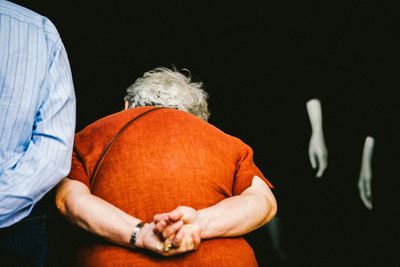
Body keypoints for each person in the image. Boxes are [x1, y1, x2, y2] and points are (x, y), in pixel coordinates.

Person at [55, 67, 277, 266]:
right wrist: (197, 224)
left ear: (126, 106)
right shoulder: (230, 143)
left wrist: (140, 234)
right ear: (199, 118)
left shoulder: (87, 138)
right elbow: (263, 203)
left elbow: (68, 201)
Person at [0, 0, 76, 266]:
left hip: (13, 230)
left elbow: (53, 152)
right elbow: (52, 150)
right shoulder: (38, 31)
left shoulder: (41, 32)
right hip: (13, 223)